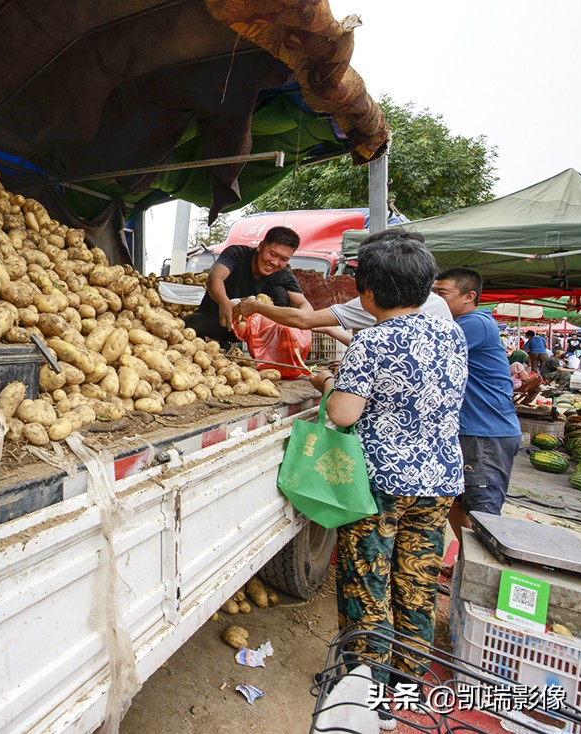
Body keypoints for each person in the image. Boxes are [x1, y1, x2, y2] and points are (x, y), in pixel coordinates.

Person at [309, 230, 467, 730]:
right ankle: (406, 678)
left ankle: (361, 682)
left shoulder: (373, 341)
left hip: (383, 483)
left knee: (367, 579)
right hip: (439, 478)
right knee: (417, 576)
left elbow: (343, 412)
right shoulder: (451, 335)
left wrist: (328, 383)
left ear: (367, 292)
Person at [431, 268, 521, 544]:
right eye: (433, 293)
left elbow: (415, 353)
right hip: (472, 431)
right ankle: (465, 565)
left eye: (442, 293)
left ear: (469, 296)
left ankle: (484, 581)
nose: (435, 299)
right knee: (457, 504)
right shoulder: (466, 323)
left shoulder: (473, 324)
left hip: (485, 435)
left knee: (484, 514)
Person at [235, 242, 454, 345]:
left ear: (369, 289)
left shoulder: (371, 334)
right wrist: (330, 330)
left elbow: (304, 318)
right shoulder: (451, 330)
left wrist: (256, 307)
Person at [183, 226, 313, 344]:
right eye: (272, 254)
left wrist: (292, 318)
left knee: (279, 291)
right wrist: (224, 303)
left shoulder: (283, 275)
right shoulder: (237, 254)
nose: (274, 262)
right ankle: (219, 343)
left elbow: (305, 306)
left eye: (283, 259)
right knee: (186, 326)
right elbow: (215, 278)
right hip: (216, 319)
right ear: (260, 246)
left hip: (253, 334)